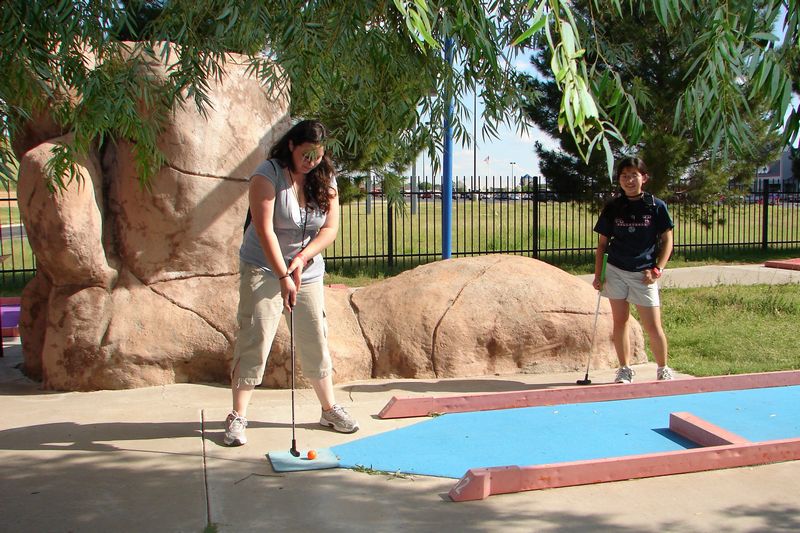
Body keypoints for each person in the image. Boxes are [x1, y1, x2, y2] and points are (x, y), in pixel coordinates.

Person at [224, 120, 358, 446]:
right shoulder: (267, 174)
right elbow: (264, 230)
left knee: (315, 337)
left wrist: (301, 259)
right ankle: (238, 416)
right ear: (291, 146)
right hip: (263, 267)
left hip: (306, 271)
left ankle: (329, 409)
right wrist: (283, 275)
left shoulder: (325, 178)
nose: (311, 161)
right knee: (255, 337)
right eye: (306, 154)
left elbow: (329, 229)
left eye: (317, 155)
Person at [592, 156, 675, 384]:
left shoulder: (656, 206)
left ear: (644, 178)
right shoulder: (613, 207)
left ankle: (663, 368)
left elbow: (668, 241)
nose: (629, 180)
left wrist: (657, 269)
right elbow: (602, 244)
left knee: (653, 326)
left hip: (644, 274)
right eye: (624, 176)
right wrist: (599, 275)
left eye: (634, 175)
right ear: (619, 179)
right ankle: (625, 369)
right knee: (620, 322)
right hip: (615, 270)